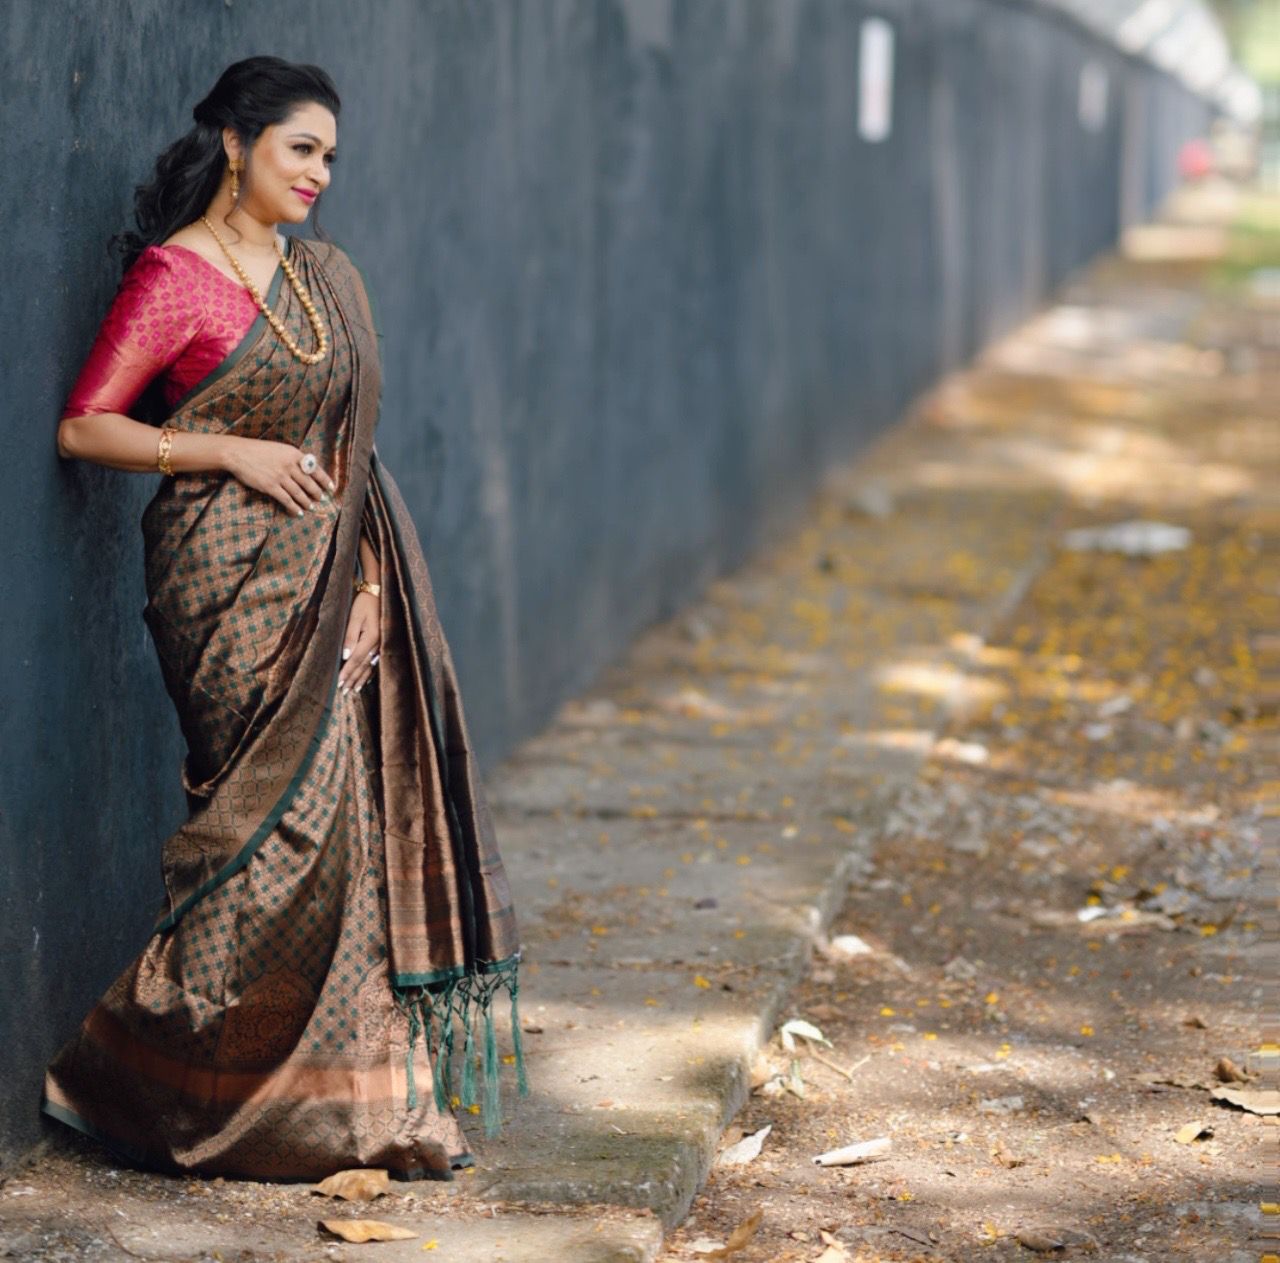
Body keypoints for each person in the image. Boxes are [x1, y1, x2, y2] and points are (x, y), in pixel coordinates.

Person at [42, 55, 527, 1183]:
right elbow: (84, 429)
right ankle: (133, 1078)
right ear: (235, 142)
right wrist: (222, 449)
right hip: (221, 591)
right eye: (300, 148)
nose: (318, 174)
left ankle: (366, 1110)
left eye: (329, 158)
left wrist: (365, 591)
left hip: (331, 595)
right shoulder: (175, 278)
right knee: (269, 844)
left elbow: (354, 463)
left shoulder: (325, 279)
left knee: (345, 843)